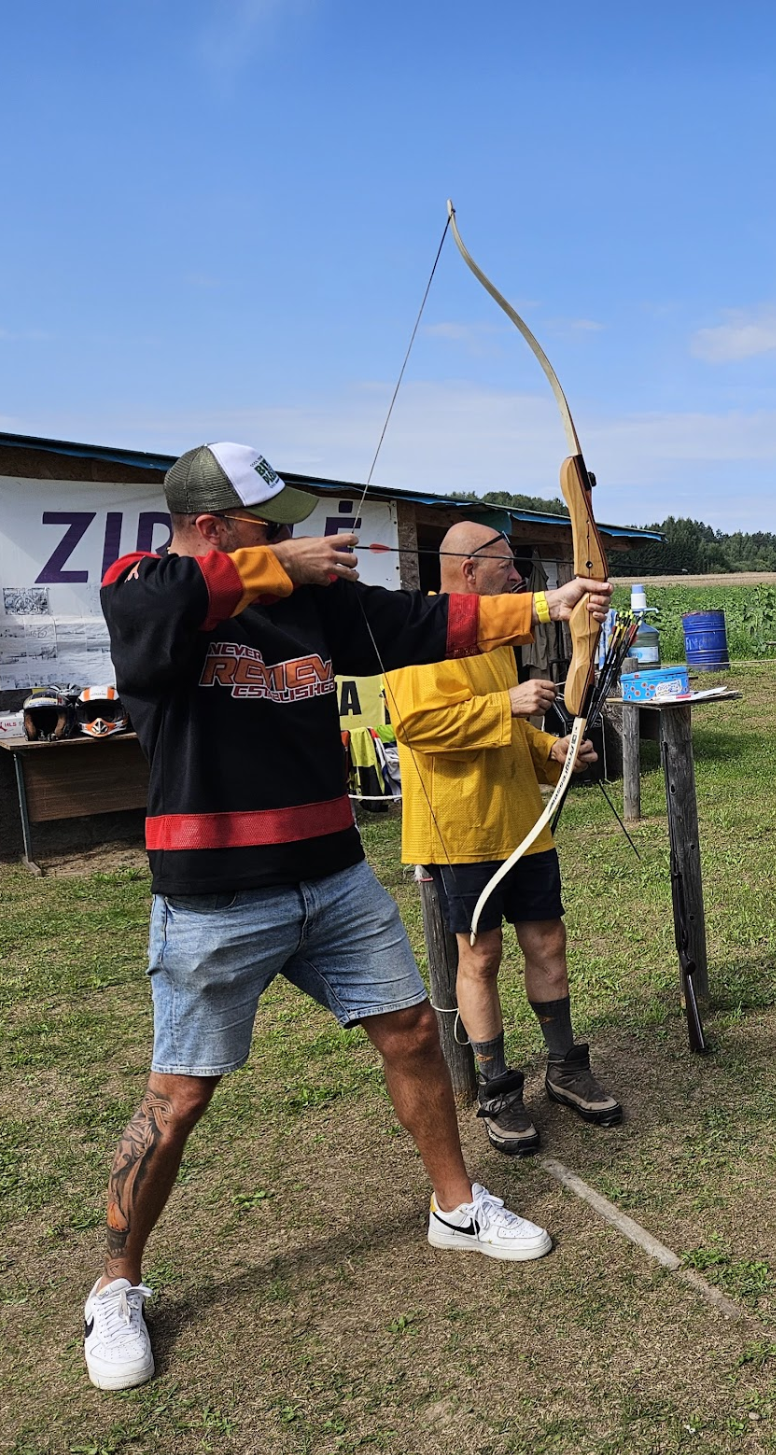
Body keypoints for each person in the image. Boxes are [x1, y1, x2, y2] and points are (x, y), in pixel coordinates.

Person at [81, 443, 608, 1391]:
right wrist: (275, 565)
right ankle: (117, 1284)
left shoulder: (313, 606)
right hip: (213, 894)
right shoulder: (147, 585)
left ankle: (454, 1206)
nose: (289, 537)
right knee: (182, 1093)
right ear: (212, 529)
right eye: (267, 525)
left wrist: (546, 606)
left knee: (411, 1032)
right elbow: (153, 616)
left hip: (331, 876)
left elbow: (426, 619)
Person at [389, 522, 622, 1158]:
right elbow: (415, 725)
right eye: (506, 566)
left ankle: (566, 1067)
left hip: (523, 822)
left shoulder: (491, 630)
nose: (517, 577)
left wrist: (555, 750)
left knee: (548, 942)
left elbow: (517, 729)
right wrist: (510, 704)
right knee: (480, 956)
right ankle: (497, 1088)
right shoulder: (415, 632)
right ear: (469, 570)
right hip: (458, 829)